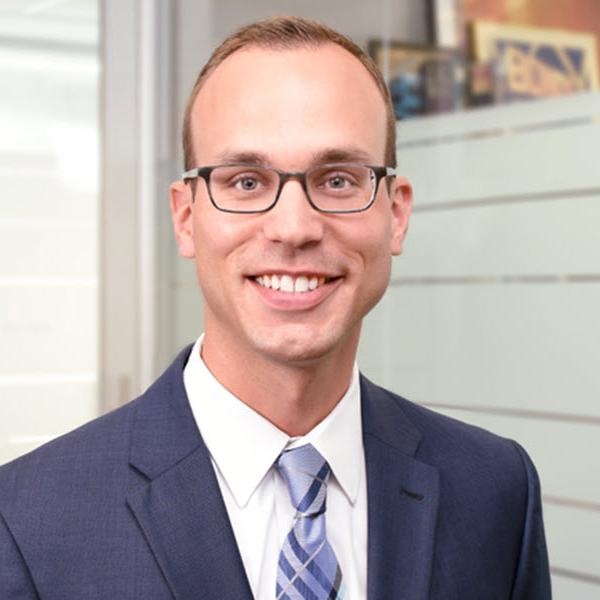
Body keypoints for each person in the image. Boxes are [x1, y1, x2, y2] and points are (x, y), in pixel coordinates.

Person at [0, 16, 551, 600]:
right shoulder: (26, 522)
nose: (294, 227)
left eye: (338, 180)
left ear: (396, 214)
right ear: (185, 218)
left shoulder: (496, 490)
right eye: (246, 182)